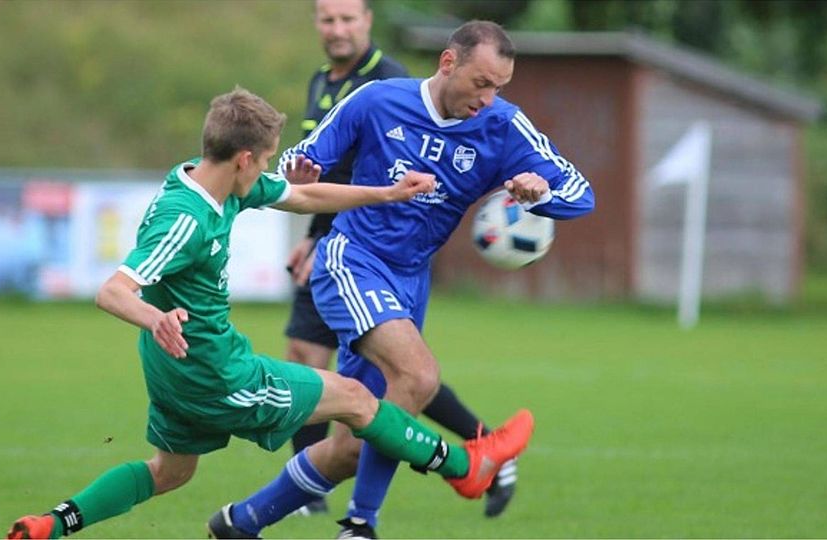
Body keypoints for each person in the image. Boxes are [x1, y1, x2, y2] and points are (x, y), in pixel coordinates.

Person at [4, 87, 535, 540]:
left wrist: (386, 192)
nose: (267, 169)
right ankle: (468, 467)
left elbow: (303, 196)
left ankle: (54, 523)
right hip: (214, 370)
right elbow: (114, 291)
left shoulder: (207, 179)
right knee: (355, 398)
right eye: (265, 159)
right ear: (243, 158)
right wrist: (155, 317)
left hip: (171, 369)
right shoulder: (186, 219)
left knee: (170, 472)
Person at [211, 21, 595, 540]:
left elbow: (580, 192)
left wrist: (537, 191)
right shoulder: (377, 100)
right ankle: (365, 523)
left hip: (411, 281)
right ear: (448, 63)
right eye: (481, 83)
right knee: (418, 376)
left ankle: (241, 521)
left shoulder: (503, 126)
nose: (488, 98)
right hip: (352, 258)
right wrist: (302, 171)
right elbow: (302, 161)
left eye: (498, 87)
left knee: (354, 442)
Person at [284, 0, 517, 520]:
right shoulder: (322, 81)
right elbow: (323, 170)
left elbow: (389, 176)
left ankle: (478, 454)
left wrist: (322, 234)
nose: (337, 29)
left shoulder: (387, 83)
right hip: (336, 238)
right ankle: (312, 490)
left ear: (368, 21)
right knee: (335, 361)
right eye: (327, 19)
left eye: (348, 19)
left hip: (366, 248)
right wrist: (309, 232)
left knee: (397, 375)